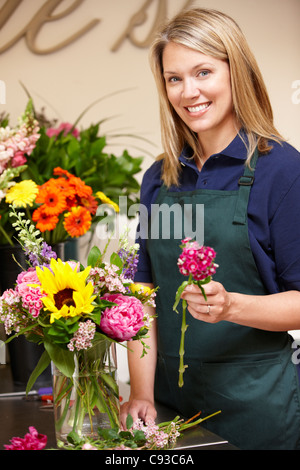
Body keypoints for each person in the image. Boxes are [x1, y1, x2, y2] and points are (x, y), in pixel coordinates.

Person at [120, 8, 300, 450]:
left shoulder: (283, 170)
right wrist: (141, 394)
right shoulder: (159, 178)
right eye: (174, 78)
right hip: (170, 406)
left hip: (257, 408)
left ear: (236, 72)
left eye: (203, 72)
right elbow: (143, 293)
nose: (189, 91)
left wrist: (231, 306)